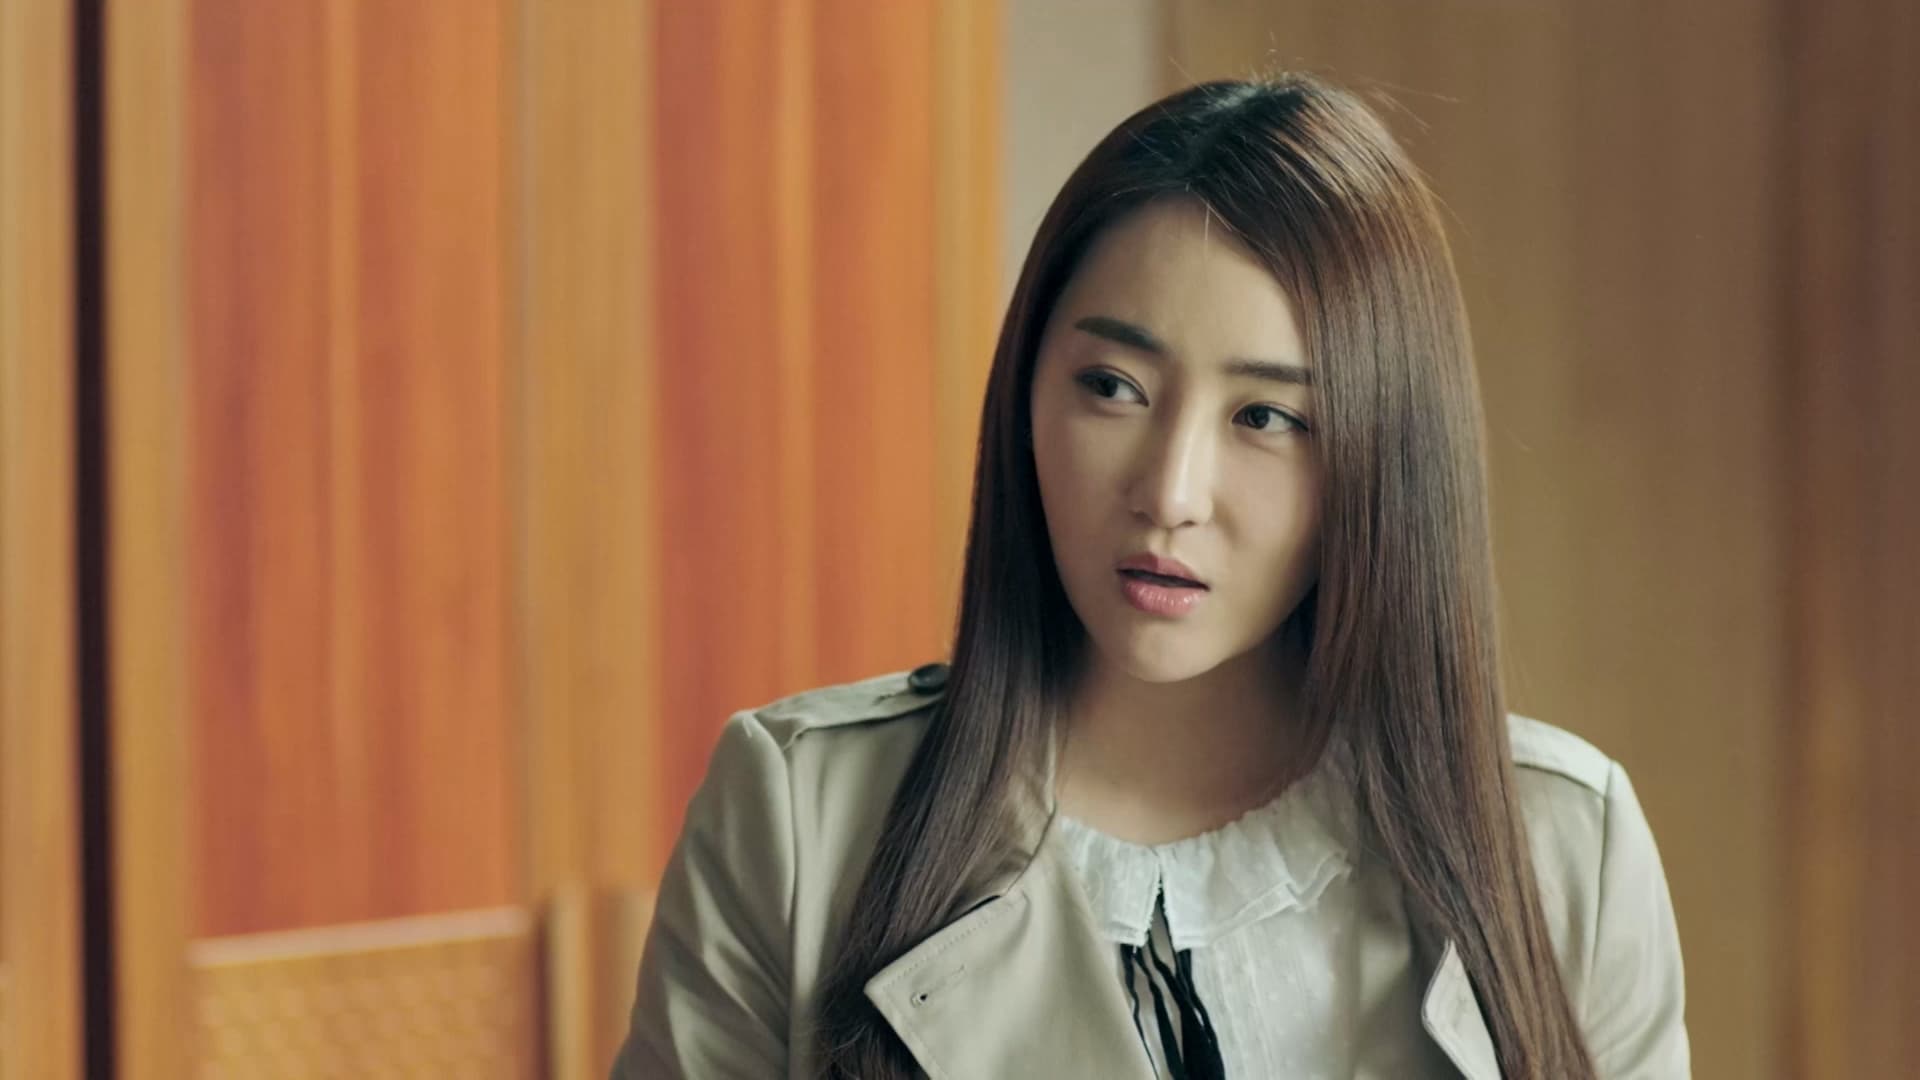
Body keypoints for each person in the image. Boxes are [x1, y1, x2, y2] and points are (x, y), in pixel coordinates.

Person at [613, 73, 1688, 1079]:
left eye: (1265, 416)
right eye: (1114, 387)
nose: (1171, 492)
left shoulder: (1563, 851)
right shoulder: (801, 816)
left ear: (1384, 458)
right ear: (1025, 392)